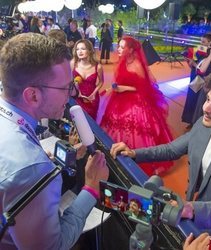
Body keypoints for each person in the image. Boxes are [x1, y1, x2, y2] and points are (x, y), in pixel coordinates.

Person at [110, 68, 211, 249]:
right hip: (199, 218)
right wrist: (135, 153)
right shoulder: (203, 124)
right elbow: (171, 149)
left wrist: (192, 208)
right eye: (208, 99)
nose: (205, 108)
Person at [0, 33, 109, 249]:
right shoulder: (32, 169)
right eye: (66, 88)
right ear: (32, 96)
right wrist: (91, 188)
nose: (70, 96)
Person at [101, 36, 173, 176]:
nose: (119, 49)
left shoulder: (138, 65)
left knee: (137, 129)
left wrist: (125, 88)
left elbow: (144, 87)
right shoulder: (122, 62)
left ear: (131, 49)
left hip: (135, 100)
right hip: (119, 98)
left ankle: (138, 156)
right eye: (119, 46)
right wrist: (115, 88)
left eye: (122, 47)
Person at [182, 33, 211, 128]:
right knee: (191, 99)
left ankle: (196, 122)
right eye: (201, 41)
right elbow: (193, 64)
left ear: (210, 42)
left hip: (202, 79)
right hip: (195, 76)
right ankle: (190, 120)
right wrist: (190, 62)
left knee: (198, 101)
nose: (201, 43)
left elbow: (204, 70)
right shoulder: (199, 50)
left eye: (203, 42)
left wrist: (195, 65)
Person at [71, 39, 103, 120]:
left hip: (92, 99)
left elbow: (101, 82)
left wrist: (93, 94)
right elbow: (69, 81)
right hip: (77, 98)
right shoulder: (73, 63)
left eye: (83, 49)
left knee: (91, 123)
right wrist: (77, 92)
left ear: (89, 50)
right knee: (77, 122)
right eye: (77, 49)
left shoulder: (98, 66)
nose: (80, 51)